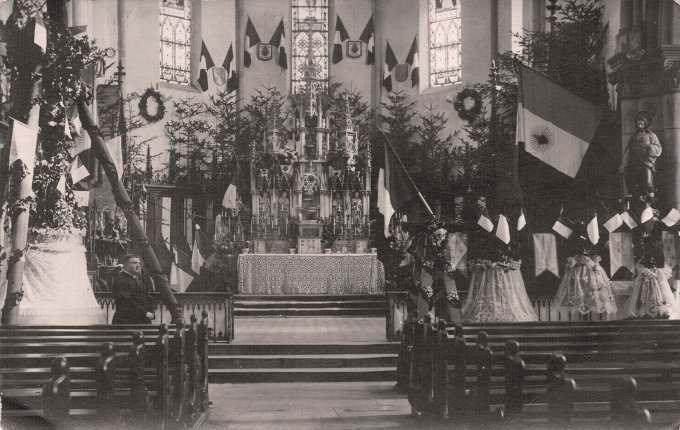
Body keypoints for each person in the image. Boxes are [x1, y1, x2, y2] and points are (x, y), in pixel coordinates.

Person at [619, 111, 662, 204]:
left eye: (641, 123)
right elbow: (628, 151)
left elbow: (658, 149)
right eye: (638, 123)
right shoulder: (634, 136)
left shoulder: (651, 135)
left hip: (646, 163)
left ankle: (649, 201)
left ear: (645, 124)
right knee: (632, 183)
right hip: (634, 164)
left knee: (648, 185)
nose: (639, 125)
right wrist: (623, 164)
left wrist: (649, 146)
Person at [112, 255, 155, 324]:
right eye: (134, 263)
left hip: (142, 320)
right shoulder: (120, 280)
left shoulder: (138, 279)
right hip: (127, 322)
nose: (138, 265)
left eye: (139, 263)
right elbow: (126, 301)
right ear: (125, 265)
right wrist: (145, 313)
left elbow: (147, 297)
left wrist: (152, 311)